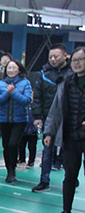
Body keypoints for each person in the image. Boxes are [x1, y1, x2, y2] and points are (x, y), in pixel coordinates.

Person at [42, 46, 85, 213]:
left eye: (80, 60)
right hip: (71, 138)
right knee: (70, 176)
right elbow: (55, 111)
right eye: (74, 60)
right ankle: (66, 211)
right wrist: (49, 132)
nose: (77, 63)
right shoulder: (66, 84)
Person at [32, 43, 73, 193]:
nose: (53, 59)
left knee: (69, 151)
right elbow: (37, 96)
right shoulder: (44, 73)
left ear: (65, 56)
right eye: (50, 57)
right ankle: (44, 180)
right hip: (48, 117)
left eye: (56, 56)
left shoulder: (73, 74)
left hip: (69, 119)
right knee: (47, 150)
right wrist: (37, 116)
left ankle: (71, 178)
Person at [0, 59, 32, 183]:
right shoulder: (1, 84)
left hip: (20, 120)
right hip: (4, 120)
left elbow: (27, 100)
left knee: (13, 144)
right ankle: (9, 170)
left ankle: (13, 169)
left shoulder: (25, 83)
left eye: (14, 68)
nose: (11, 70)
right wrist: (7, 94)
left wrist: (13, 93)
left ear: (19, 69)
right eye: (9, 68)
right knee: (6, 146)